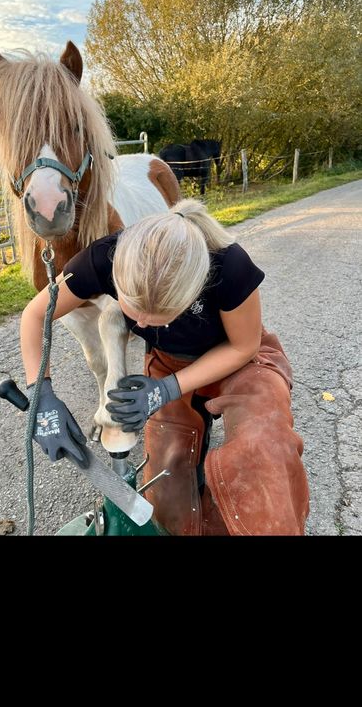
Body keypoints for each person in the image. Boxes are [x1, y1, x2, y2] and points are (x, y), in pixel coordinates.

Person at [20, 199, 310, 536]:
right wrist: (41, 394)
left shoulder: (229, 266)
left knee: (263, 449)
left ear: (192, 294)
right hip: (171, 360)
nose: (140, 323)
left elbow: (243, 346)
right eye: (134, 311)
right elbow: (35, 315)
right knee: (167, 495)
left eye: (157, 317)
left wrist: (168, 389)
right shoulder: (104, 259)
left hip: (241, 361)